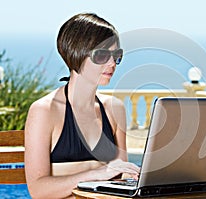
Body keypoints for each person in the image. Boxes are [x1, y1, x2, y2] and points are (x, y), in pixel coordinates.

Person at [24, 13, 140, 198]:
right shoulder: (45, 111)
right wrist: (97, 174)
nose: (112, 63)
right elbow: (38, 190)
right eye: (102, 55)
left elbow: (120, 176)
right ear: (76, 53)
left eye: (116, 55)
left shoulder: (114, 108)